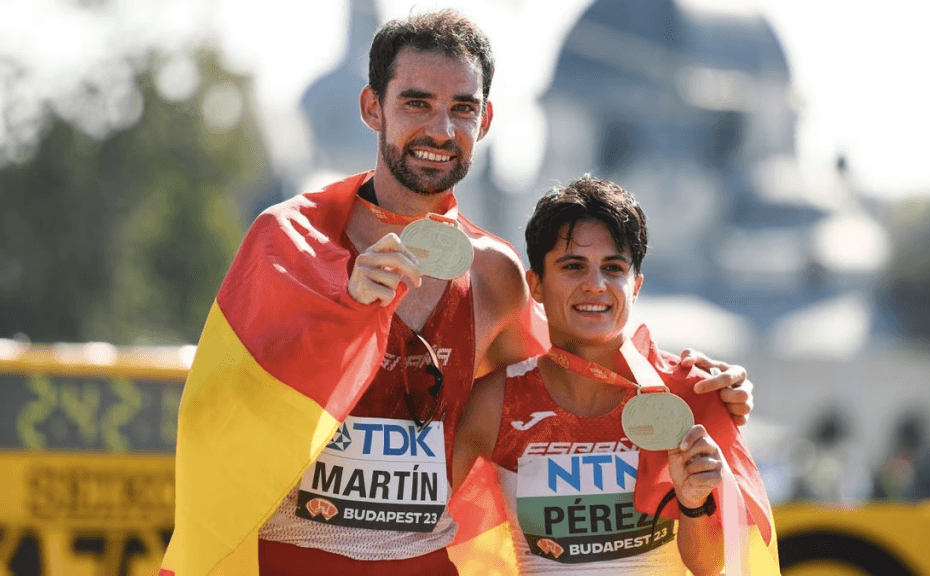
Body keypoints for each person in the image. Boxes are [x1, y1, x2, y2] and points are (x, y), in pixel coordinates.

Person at [159, 10, 754, 576]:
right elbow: (219, 409)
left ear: (485, 121)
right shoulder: (289, 242)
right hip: (293, 557)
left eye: (461, 108)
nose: (440, 130)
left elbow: (571, 373)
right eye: (417, 102)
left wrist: (684, 382)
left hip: (425, 562)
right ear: (373, 108)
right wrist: (341, 306)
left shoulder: (495, 273)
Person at [453, 176, 777, 575]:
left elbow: (715, 566)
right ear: (535, 285)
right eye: (573, 266)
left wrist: (695, 501)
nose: (595, 285)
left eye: (613, 268)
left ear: (635, 285)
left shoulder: (687, 394)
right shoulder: (496, 401)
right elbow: (418, 529)